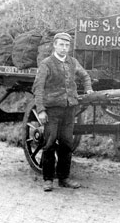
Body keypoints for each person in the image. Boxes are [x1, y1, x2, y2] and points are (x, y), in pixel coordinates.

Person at [33, 32, 94, 192]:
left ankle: (64, 178)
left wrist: (88, 88)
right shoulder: (46, 64)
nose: (64, 48)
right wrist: (40, 110)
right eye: (61, 45)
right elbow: (38, 88)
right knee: (49, 143)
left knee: (67, 143)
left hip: (69, 109)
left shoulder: (72, 62)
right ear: (55, 45)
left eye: (67, 45)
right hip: (52, 110)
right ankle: (48, 179)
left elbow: (85, 75)